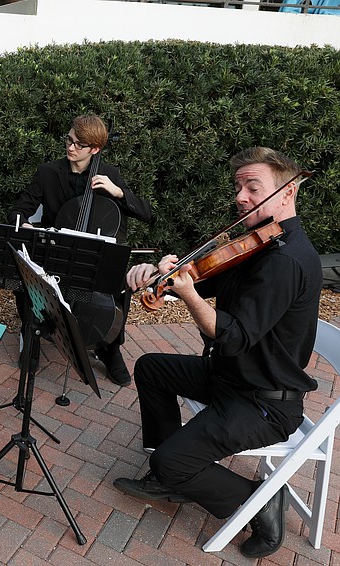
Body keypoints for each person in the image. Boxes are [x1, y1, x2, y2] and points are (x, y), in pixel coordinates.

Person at [113, 147, 322, 558]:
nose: (240, 196)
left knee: (173, 463)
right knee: (152, 368)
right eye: (238, 186)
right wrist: (161, 275)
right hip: (231, 378)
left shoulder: (287, 261)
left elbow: (233, 336)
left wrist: (186, 293)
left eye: (252, 187)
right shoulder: (258, 244)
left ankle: (260, 501)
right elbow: (205, 284)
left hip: (264, 401)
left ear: (287, 193)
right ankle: (169, 467)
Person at [8, 114, 152, 385]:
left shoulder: (109, 175)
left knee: (119, 283)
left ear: (94, 149)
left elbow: (145, 213)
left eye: (78, 144)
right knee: (24, 280)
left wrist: (118, 192)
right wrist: (26, 224)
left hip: (95, 255)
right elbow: (18, 210)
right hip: (58, 250)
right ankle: (32, 338)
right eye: (69, 139)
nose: (70, 147)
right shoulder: (48, 172)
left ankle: (111, 349)